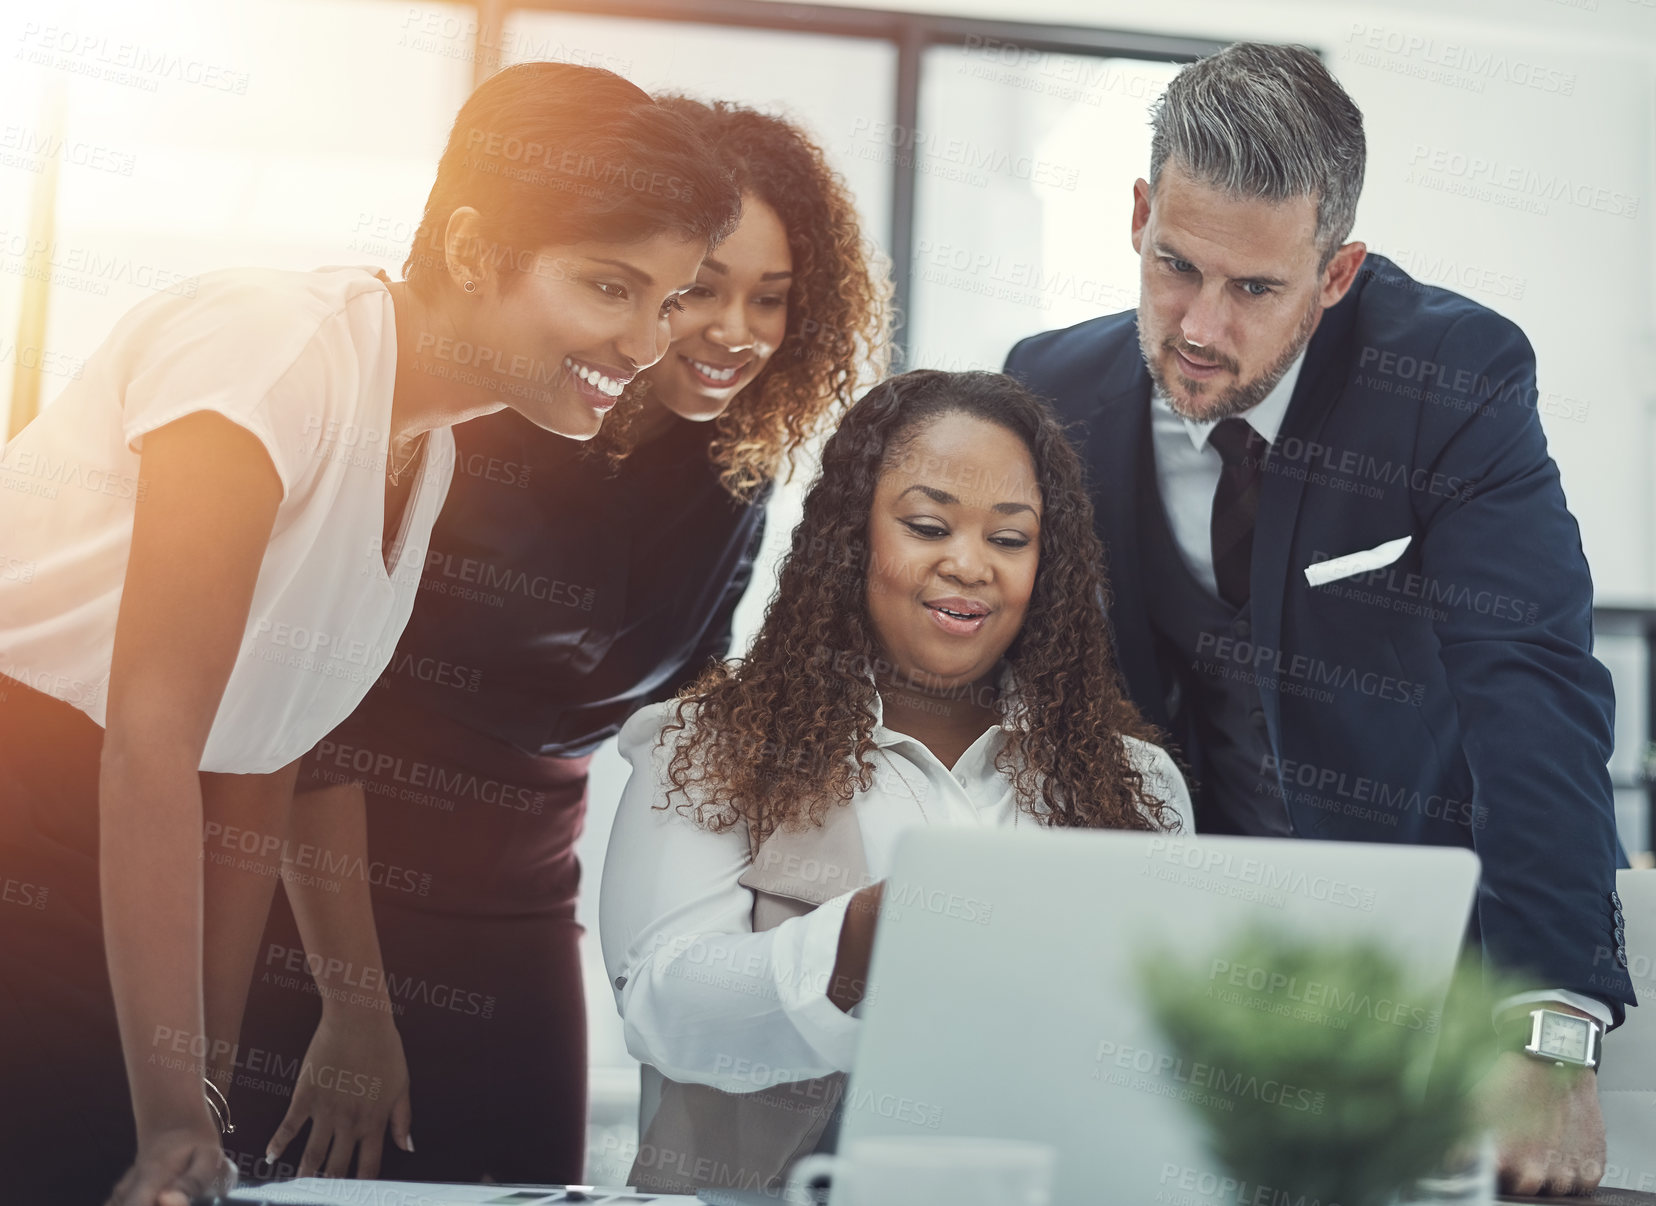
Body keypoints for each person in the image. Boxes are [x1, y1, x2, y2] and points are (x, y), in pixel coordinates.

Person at [0, 61, 739, 1206]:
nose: (648, 340)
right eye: (610, 286)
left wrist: (197, 1102)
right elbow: (154, 736)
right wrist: (163, 1121)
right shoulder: (271, 348)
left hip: (111, 842)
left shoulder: (425, 444)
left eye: (668, 297)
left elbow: (257, 765)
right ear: (469, 248)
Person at [1003, 42, 1632, 1197]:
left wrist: (1548, 1032)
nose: (1198, 328)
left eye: (1254, 290)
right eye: (1174, 265)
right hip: (1166, 958)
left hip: (1416, 961)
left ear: (1336, 273)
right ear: (1140, 212)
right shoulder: (1052, 388)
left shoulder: (1452, 377)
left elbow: (1532, 689)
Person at [228, 99, 891, 1184]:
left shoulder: (737, 464)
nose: (736, 333)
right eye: (699, 292)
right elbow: (316, 726)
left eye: (773, 301)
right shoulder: (479, 414)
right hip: (327, 914)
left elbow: (697, 702)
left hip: (523, 916)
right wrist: (352, 1007)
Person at [600, 369, 1192, 1195]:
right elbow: (665, 1012)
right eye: (926, 525)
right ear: (852, 538)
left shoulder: (1135, 784)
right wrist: (857, 943)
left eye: (1011, 540)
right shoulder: (704, 748)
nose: (969, 564)